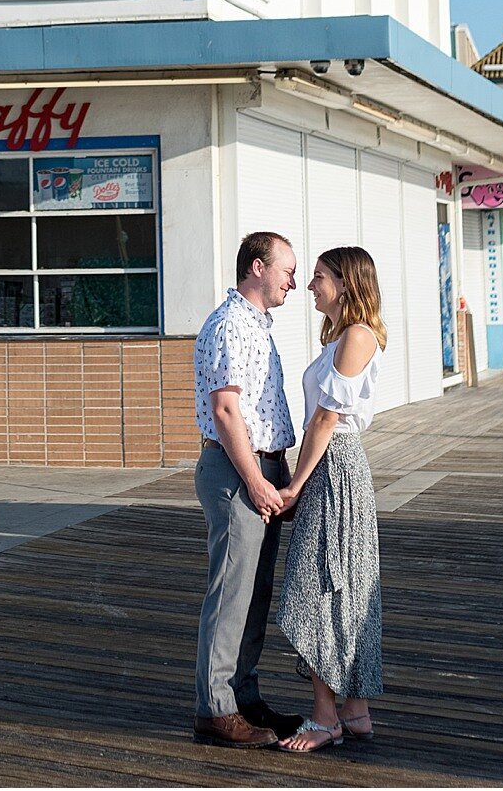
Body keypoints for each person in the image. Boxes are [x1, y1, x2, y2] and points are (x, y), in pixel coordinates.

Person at [192, 230, 303, 748]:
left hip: (263, 471)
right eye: (287, 271)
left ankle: (243, 696)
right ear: (257, 268)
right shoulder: (230, 324)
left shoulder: (257, 324)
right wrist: (257, 481)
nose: (294, 282)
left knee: (254, 592)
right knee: (231, 594)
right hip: (240, 473)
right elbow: (226, 410)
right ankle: (215, 709)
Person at [275, 246, 386, 752]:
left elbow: (326, 419)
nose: (310, 286)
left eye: (319, 277)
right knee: (341, 582)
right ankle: (354, 709)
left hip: (334, 468)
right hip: (334, 467)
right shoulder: (344, 336)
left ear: (346, 282)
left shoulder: (358, 336)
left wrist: (295, 484)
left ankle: (326, 718)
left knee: (320, 584)